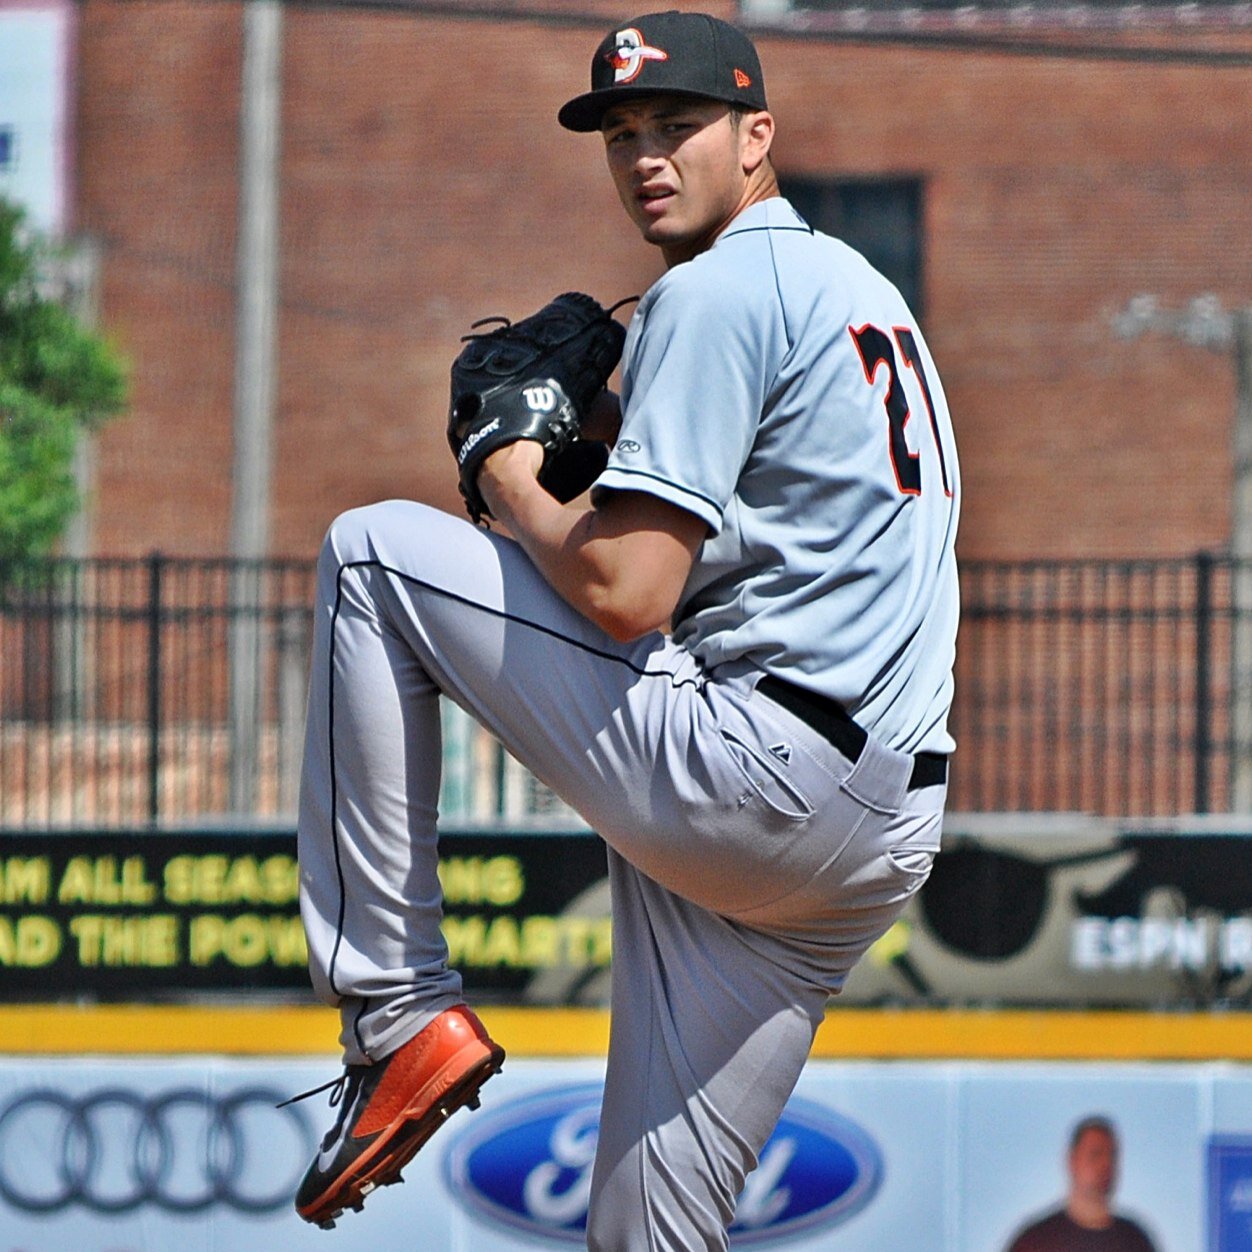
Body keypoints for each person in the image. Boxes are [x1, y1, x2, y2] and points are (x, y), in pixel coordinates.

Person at [289, 10, 960, 1249]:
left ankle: (391, 1014)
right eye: (622, 133)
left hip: (757, 774)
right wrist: (597, 424)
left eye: (678, 125)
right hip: (870, 833)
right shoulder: (863, 294)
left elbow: (628, 589)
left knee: (370, 556)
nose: (646, 154)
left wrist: (508, 470)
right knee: (645, 1231)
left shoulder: (717, 291)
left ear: (758, 134)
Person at [1005, 1117, 1158, 1252]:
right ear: (1072, 1160)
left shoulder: (1134, 1241)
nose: (1105, 1165)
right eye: (1095, 1154)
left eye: (1112, 1156)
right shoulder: (1036, 1241)